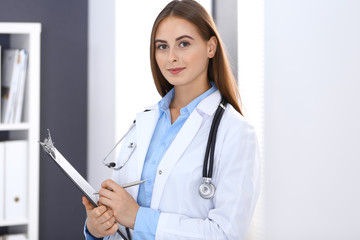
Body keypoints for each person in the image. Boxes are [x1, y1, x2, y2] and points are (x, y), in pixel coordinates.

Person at [82, 0, 260, 239]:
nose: (171, 57)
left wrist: (138, 217)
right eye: (162, 46)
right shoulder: (143, 123)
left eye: (184, 44)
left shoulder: (236, 133)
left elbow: (225, 234)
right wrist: (98, 229)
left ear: (211, 47)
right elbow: (120, 219)